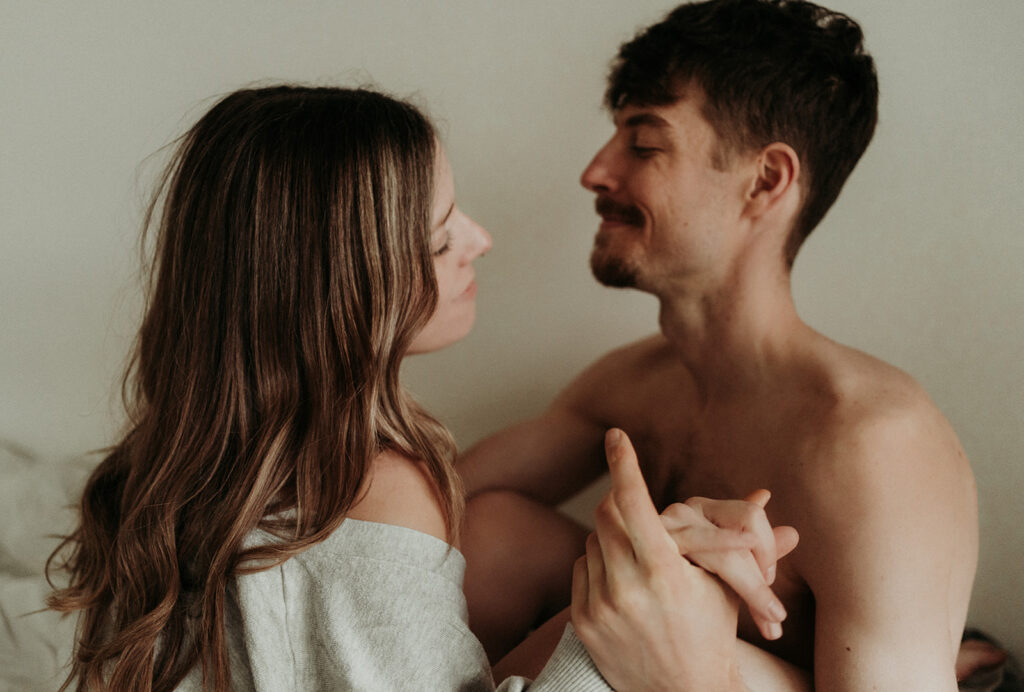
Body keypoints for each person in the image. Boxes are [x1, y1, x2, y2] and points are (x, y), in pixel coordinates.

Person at [45, 84, 790, 691]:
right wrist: (670, 614)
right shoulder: (374, 486)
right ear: (343, 290)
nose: (479, 241)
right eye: (440, 238)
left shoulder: (157, 470)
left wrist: (667, 555)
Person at [459, 1, 979, 689]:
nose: (595, 172)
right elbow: (437, 498)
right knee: (492, 535)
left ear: (766, 182)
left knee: (650, 611)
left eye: (643, 144)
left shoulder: (870, 442)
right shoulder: (633, 386)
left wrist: (693, 668)